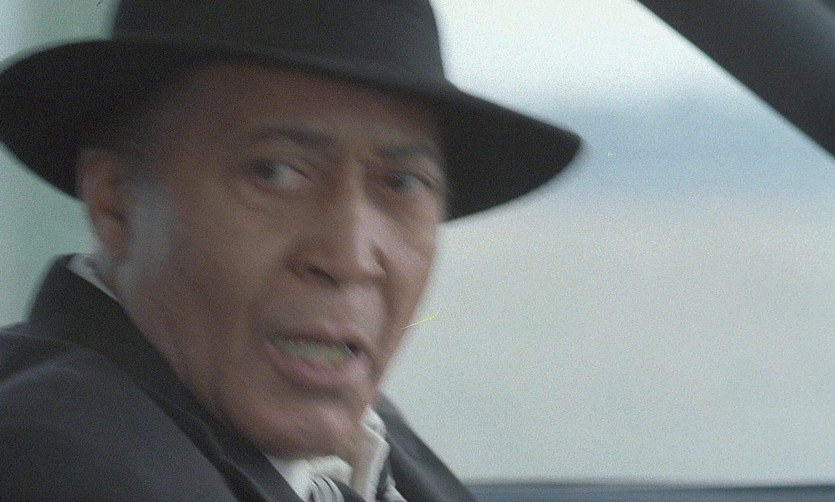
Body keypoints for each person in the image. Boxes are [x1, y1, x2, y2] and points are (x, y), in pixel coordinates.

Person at [0, 1, 580, 500]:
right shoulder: (60, 457)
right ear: (115, 202)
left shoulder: (365, 443)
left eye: (402, 184)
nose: (349, 257)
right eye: (274, 173)